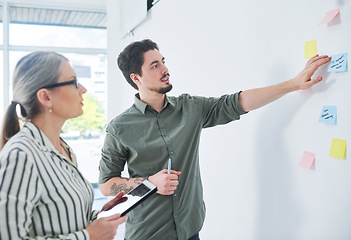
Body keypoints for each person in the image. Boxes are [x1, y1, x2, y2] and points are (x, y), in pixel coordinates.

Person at [98, 39, 331, 240]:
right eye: (155, 65)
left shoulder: (190, 108)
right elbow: (107, 185)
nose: (165, 69)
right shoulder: (119, 128)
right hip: (147, 234)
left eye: (163, 61)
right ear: (136, 77)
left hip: (191, 230)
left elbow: (237, 102)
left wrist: (293, 84)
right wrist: (149, 182)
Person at [0, 51, 127, 240]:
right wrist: (88, 236)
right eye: (74, 82)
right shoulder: (21, 155)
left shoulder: (64, 149)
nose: (83, 89)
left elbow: (60, 220)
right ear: (46, 97)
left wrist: (98, 217)